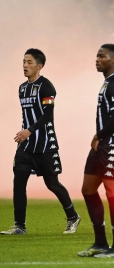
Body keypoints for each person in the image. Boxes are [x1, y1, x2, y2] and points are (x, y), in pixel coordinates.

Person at [0, 48, 80, 235]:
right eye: (23, 62)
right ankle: (19, 226)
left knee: (52, 184)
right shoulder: (22, 88)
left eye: (29, 62)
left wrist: (30, 131)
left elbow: (48, 115)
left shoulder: (46, 87)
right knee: (18, 182)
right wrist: (25, 134)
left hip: (44, 144)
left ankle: (73, 217)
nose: (25, 66)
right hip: (26, 145)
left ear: (39, 66)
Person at [78, 44, 114, 258]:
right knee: (88, 189)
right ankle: (100, 242)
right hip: (102, 144)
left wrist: (98, 135)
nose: (97, 59)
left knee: (112, 193)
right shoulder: (107, 83)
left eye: (102, 56)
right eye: (97, 55)